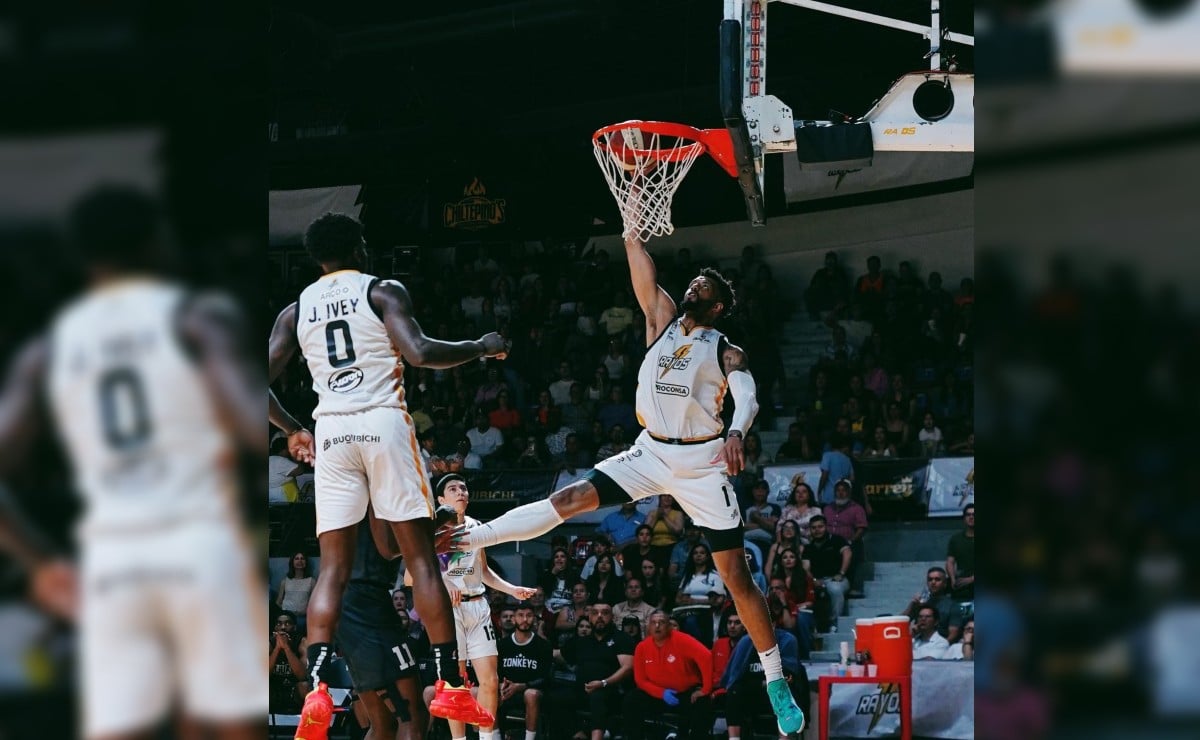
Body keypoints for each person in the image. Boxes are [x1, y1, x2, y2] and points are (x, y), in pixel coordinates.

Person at [442, 240, 806, 734]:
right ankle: (471, 537)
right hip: (650, 450)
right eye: (694, 282)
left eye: (705, 287)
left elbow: (746, 392)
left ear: (718, 305)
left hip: (703, 461)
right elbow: (643, 274)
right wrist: (633, 230)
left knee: (737, 577)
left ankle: (775, 679)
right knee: (569, 499)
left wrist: (738, 430)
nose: (694, 286)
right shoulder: (662, 321)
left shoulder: (722, 346)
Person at [0, 186, 267, 740]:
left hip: (113, 560)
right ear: (156, 241)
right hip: (199, 547)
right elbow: (252, 424)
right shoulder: (196, 317)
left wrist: (38, 561)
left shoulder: (48, 349)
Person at [267, 212, 504, 733]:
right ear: (360, 245)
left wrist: (290, 428)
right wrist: (479, 348)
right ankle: (451, 688)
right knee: (420, 559)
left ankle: (319, 693)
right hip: (383, 424)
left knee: (332, 569)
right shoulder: (381, 290)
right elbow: (419, 353)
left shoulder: (295, 309)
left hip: (331, 432)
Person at [420, 474, 537, 740]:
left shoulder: (476, 526)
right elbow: (413, 575)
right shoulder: (430, 531)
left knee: (490, 680)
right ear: (440, 500)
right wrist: (442, 582)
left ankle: (487, 737)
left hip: (478, 606)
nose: (460, 491)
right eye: (452, 489)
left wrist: (511, 589)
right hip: (448, 612)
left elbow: (483, 571)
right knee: (455, 684)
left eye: (463, 487)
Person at [339, 514, 428, 740]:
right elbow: (389, 548)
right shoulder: (380, 490)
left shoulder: (341, 493)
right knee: (412, 718)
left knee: (382, 724)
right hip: (366, 602)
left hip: (345, 603)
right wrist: (433, 530)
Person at [721, 594, 808, 740]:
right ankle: (734, 738)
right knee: (734, 693)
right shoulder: (745, 642)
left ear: (773, 625)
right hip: (753, 692)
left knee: (784, 692)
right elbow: (734, 676)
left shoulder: (787, 640)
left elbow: (790, 675)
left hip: (776, 691)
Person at [624, 610, 714, 740]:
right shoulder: (642, 647)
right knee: (631, 700)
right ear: (648, 626)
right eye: (653, 623)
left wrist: (706, 689)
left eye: (662, 622)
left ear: (669, 626)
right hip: (657, 695)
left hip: (685, 694)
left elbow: (706, 657)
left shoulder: (682, 640)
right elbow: (640, 680)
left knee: (703, 702)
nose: (657, 626)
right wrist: (662, 693)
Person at [556, 603, 634, 740]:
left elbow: (627, 668)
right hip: (582, 690)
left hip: (611, 692)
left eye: (604, 613)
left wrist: (603, 683)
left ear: (613, 617)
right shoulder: (582, 641)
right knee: (555, 697)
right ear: (589, 617)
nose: (599, 617)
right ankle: (578, 734)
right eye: (595, 613)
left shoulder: (621, 639)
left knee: (597, 697)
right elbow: (559, 655)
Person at [497, 602, 554, 740]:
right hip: (507, 691)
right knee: (489, 691)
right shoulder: (502, 645)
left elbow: (546, 678)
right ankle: (494, 737)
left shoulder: (543, 645)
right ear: (514, 618)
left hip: (533, 690)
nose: (524, 619)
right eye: (520, 615)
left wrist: (522, 686)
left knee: (530, 694)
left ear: (534, 618)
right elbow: (495, 672)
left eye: (529, 616)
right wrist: (500, 684)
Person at [802, 516, 851, 631]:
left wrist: (841, 573)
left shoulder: (837, 540)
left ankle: (834, 624)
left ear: (826, 527)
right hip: (816, 580)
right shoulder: (808, 547)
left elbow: (847, 554)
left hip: (837, 579)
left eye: (820, 527)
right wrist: (813, 580)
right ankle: (812, 628)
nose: (817, 530)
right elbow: (805, 568)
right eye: (813, 528)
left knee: (835, 589)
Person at [901, 567, 963, 643]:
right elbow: (900, 623)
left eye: (937, 579)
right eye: (930, 580)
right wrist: (912, 605)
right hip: (918, 644)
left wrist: (939, 647)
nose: (933, 582)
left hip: (941, 646)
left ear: (945, 583)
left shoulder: (952, 606)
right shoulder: (920, 603)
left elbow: (953, 634)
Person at [271, 611, 309, 714]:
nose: (283, 627)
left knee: (306, 686)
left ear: (295, 627)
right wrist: (277, 649)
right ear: (275, 628)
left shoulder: (303, 642)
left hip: (294, 689)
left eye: (287, 623)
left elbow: (302, 676)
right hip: (274, 689)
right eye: (279, 624)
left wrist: (287, 648)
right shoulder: (268, 643)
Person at [277, 551, 317, 625]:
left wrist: (305, 612)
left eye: (302, 559)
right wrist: (286, 612)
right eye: (297, 558)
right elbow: (279, 601)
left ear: (306, 562)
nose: (300, 561)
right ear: (292, 562)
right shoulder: (285, 581)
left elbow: (314, 602)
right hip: (286, 617)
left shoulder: (311, 581)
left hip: (302, 617)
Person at [946, 504, 975, 602]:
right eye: (968, 515)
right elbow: (950, 561)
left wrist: (972, 579)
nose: (971, 517)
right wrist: (953, 579)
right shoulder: (956, 539)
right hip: (962, 587)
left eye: (974, 514)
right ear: (964, 518)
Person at [742, 479, 781, 548]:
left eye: (763, 488)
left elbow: (774, 527)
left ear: (768, 492)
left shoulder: (775, 508)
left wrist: (756, 518)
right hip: (747, 542)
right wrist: (764, 524)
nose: (760, 491)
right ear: (753, 491)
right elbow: (740, 527)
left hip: (767, 543)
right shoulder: (745, 508)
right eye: (757, 488)